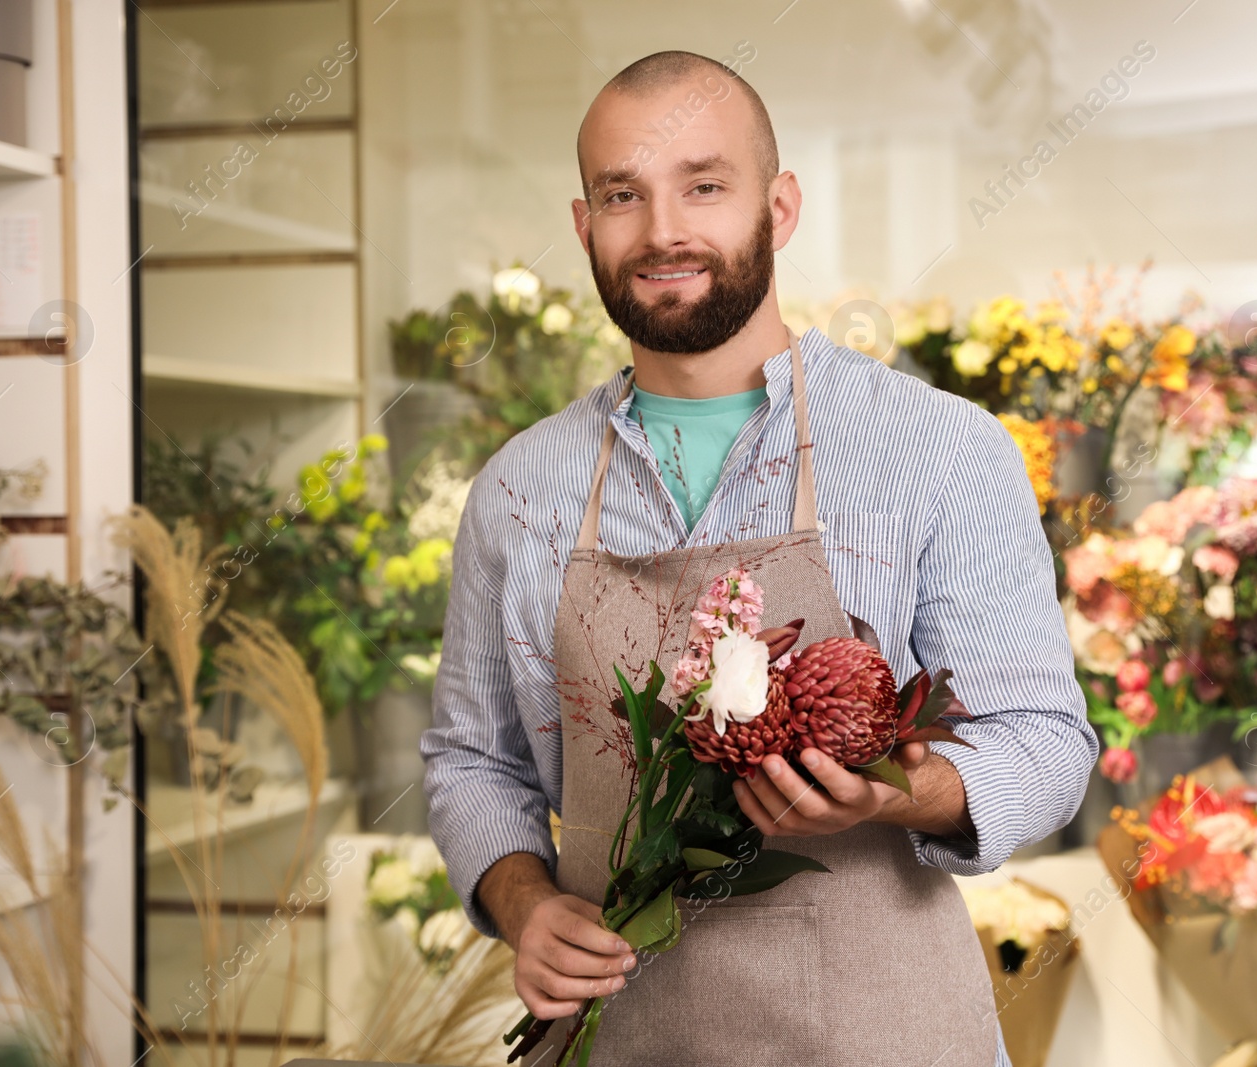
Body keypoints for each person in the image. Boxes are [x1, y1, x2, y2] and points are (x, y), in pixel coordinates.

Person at [420, 49, 1094, 1066]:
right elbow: (472, 758)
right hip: (618, 1036)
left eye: (703, 185)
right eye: (621, 194)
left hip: (884, 1034)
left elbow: (1043, 740)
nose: (661, 231)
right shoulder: (519, 489)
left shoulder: (938, 449)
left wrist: (896, 792)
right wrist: (522, 899)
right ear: (582, 224)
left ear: (777, 208)